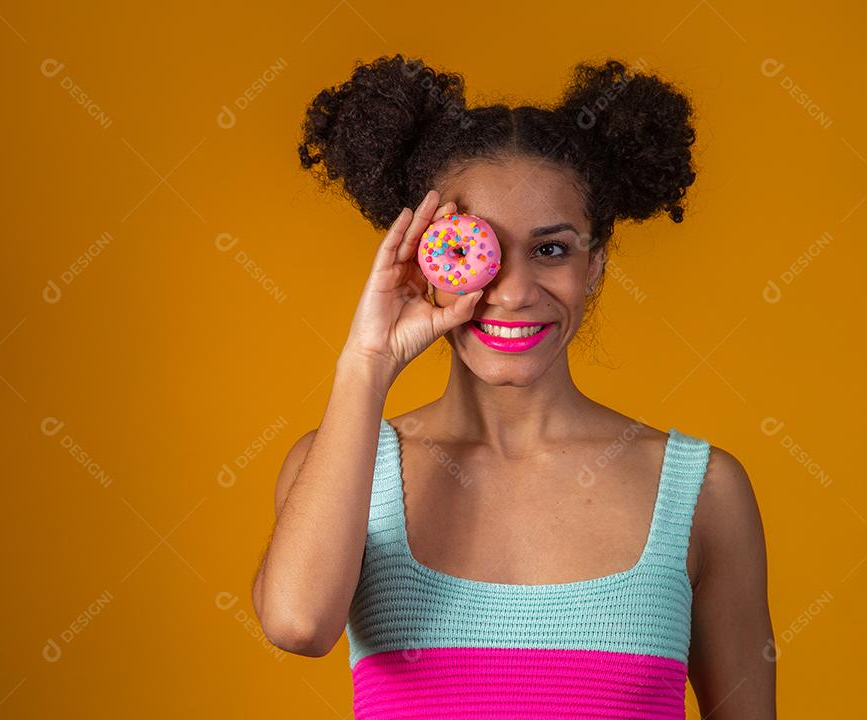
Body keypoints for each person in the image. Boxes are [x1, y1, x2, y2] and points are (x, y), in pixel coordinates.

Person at [252, 54, 775, 719]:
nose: (514, 293)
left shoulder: (704, 491)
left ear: (594, 266)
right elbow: (298, 624)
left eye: (552, 249)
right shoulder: (344, 467)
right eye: (474, 248)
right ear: (419, 259)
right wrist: (366, 362)